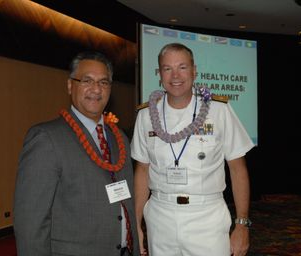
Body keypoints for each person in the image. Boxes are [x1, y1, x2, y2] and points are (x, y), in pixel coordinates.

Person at [131, 43, 255, 256]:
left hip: (207, 217)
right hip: (160, 216)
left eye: (182, 67)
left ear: (194, 71)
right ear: (159, 73)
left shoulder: (218, 110)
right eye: (167, 68)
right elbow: (142, 170)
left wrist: (242, 225)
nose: (175, 75)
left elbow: (237, 168)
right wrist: (136, 224)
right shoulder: (146, 115)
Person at [14, 51, 138, 256]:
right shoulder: (46, 139)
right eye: (87, 80)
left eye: (104, 82)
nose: (96, 89)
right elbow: (31, 222)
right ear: (71, 85)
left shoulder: (119, 138)